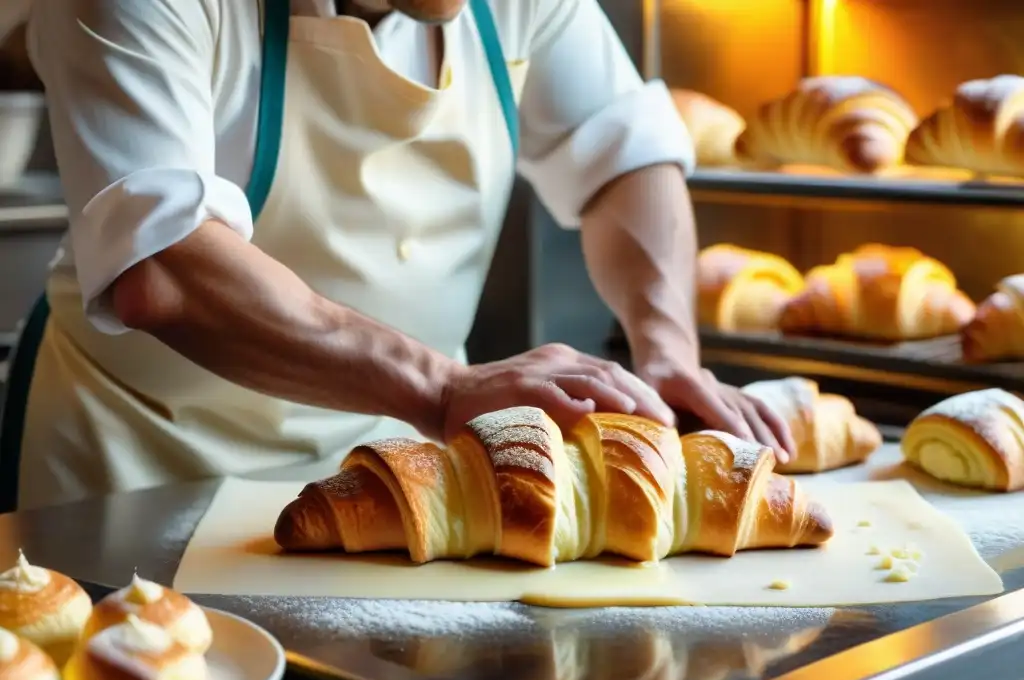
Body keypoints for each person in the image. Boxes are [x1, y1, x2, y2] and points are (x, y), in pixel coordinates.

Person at [11, 0, 792, 511]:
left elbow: (624, 157)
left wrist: (667, 349)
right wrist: (441, 385)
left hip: (400, 470)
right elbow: (166, 267)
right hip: (136, 474)